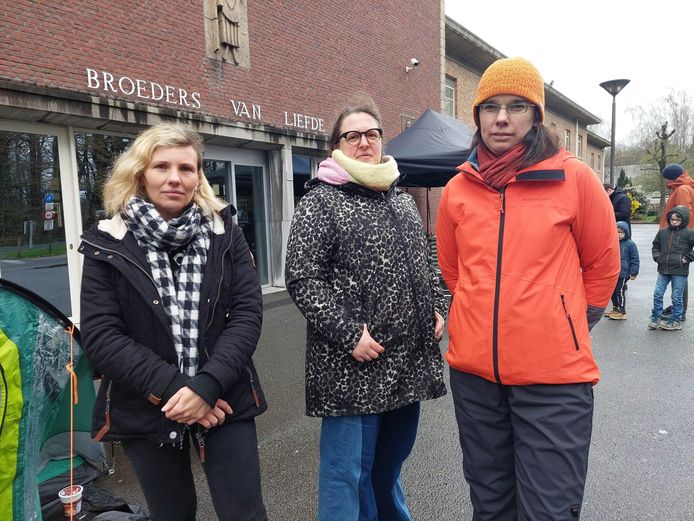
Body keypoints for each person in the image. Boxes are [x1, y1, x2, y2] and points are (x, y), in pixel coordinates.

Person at [435, 57, 620, 521]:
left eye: (516, 106)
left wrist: (564, 324)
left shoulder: (573, 177)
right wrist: (478, 322)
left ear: (536, 114)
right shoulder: (458, 188)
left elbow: (602, 266)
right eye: (490, 106)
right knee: (490, 504)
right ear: (476, 115)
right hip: (476, 379)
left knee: (549, 511)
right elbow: (453, 271)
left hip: (553, 381)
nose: (501, 118)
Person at [78, 123, 268, 521]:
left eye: (187, 168)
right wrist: (181, 391)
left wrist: (208, 384)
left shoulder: (224, 232)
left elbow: (247, 314)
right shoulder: (107, 239)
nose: (174, 178)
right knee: (172, 513)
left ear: (198, 176)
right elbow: (102, 336)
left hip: (224, 396)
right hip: (144, 404)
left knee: (244, 513)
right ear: (140, 172)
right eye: (161, 166)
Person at [285, 96, 447, 521]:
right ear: (335, 146)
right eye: (352, 135)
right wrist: (348, 334)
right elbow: (302, 278)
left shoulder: (400, 198)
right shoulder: (321, 201)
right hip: (353, 368)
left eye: (371, 134)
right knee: (346, 475)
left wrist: (437, 305)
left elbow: (425, 261)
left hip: (405, 365)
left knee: (388, 467)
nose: (364, 142)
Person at [648, 206, 694, 331]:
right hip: (663, 269)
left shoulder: (689, 233)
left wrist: (687, 259)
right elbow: (655, 245)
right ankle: (656, 317)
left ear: (683, 220)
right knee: (658, 294)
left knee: (676, 297)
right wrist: (657, 257)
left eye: (677, 220)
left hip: (680, 270)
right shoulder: (663, 232)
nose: (674, 222)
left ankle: (676, 320)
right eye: (672, 219)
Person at [659, 163, 694, 321]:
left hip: (678, 238)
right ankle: (678, 308)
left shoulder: (681, 190)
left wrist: (675, 237)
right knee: (678, 272)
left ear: (672, 177)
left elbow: (682, 215)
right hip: (680, 237)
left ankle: (679, 311)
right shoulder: (683, 187)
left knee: (678, 272)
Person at [605, 221, 640, 320]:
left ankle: (622, 311)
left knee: (619, 290)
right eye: (616, 232)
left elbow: (635, 259)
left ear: (626, 233)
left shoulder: (630, 244)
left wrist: (633, 272)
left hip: (624, 273)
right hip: (613, 272)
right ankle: (615, 308)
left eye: (621, 232)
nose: (619, 235)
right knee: (612, 291)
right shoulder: (612, 243)